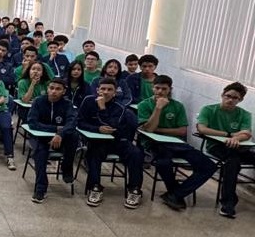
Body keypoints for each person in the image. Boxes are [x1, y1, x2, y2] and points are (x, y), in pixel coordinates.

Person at [136, 75, 215, 210]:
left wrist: (157, 129)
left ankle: (175, 194)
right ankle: (175, 194)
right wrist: (158, 108)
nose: (160, 91)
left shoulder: (178, 106)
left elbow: (182, 131)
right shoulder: (144, 104)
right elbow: (149, 130)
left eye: (164, 89)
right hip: (154, 143)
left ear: (170, 89)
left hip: (178, 144)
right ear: (152, 88)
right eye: (157, 88)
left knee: (209, 166)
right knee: (163, 163)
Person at [77, 77, 143, 208]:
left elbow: (112, 126)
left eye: (109, 90)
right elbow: (80, 122)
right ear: (97, 90)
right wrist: (97, 129)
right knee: (93, 154)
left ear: (115, 92)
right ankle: (95, 187)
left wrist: (102, 108)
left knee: (136, 153)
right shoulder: (88, 101)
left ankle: (134, 189)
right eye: (103, 89)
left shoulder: (120, 107)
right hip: (97, 141)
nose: (106, 92)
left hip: (118, 140)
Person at [196, 82, 253, 218]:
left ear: (240, 100)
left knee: (236, 158)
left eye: (235, 98)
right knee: (233, 162)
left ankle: (230, 198)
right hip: (216, 146)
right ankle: (228, 203)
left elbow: (246, 133)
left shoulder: (244, 114)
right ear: (222, 95)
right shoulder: (209, 110)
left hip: (238, 147)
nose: (230, 100)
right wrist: (229, 134)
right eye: (228, 96)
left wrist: (236, 138)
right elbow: (202, 128)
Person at [26, 78, 78, 203]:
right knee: (40, 153)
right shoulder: (38, 101)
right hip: (40, 137)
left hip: (61, 138)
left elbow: (72, 123)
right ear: (47, 89)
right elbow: (32, 123)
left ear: (64, 91)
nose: (54, 91)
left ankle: (66, 168)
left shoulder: (67, 104)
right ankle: (40, 188)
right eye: (51, 88)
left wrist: (60, 133)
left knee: (74, 136)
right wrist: (55, 129)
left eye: (58, 89)